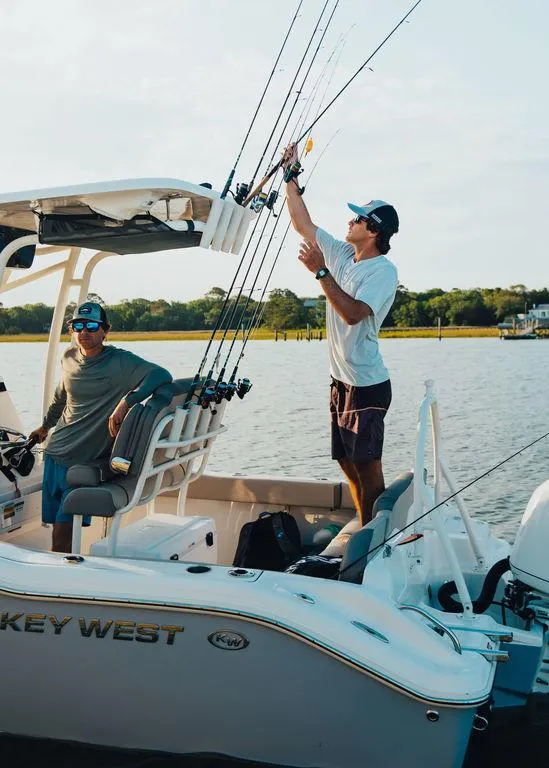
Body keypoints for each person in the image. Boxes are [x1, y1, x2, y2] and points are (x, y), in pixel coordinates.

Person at [282, 142, 399, 526]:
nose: (350, 222)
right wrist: (291, 176)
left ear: (374, 231)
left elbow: (351, 314)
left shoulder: (382, 271)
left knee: (368, 467)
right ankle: (364, 523)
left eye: (359, 219)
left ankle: (372, 540)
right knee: (346, 462)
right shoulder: (343, 255)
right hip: (340, 382)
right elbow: (301, 221)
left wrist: (319, 273)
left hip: (367, 384)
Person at [29, 301, 172, 553]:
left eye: (92, 326)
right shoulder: (68, 356)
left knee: (63, 536)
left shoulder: (119, 361)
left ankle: (65, 584)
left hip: (83, 461)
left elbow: (161, 375)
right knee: (58, 532)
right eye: (78, 325)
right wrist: (44, 427)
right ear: (72, 330)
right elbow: (61, 398)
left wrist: (126, 402)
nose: (84, 331)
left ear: (105, 331)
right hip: (55, 455)